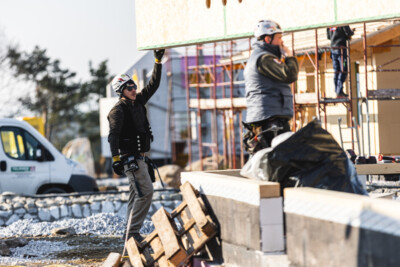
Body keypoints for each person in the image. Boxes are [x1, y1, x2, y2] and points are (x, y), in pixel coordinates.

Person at [107, 49, 165, 243]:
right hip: (130, 159)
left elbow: (154, 84)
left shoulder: (138, 101)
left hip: (141, 157)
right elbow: (113, 136)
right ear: (121, 90)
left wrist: (157, 60)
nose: (134, 89)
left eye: (134, 86)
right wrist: (115, 159)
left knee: (136, 196)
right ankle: (132, 233)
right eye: (129, 87)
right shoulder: (118, 111)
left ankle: (129, 234)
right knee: (145, 193)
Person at [243, 19, 299, 154]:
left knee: (268, 160)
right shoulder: (265, 59)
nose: (282, 42)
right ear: (268, 39)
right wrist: (290, 57)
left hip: (266, 116)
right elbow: (289, 75)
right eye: (279, 37)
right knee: (281, 160)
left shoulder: (258, 57)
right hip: (270, 120)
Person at [327, 25, 354, 98]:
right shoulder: (342, 21)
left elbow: (328, 37)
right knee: (343, 70)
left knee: (337, 71)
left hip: (333, 49)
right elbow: (348, 33)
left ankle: (337, 91)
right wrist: (352, 32)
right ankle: (339, 92)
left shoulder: (329, 24)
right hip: (341, 49)